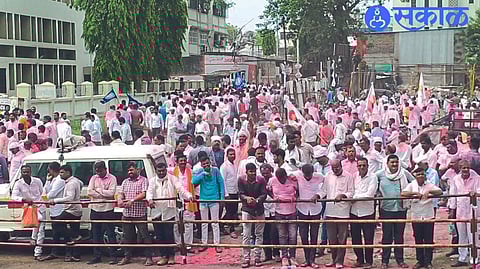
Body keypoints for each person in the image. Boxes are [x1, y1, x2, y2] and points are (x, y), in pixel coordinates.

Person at [147, 163, 193, 266]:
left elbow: (181, 189)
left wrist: (189, 196)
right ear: (156, 171)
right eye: (159, 171)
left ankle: (171, 256)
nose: (162, 173)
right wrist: (149, 200)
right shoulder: (152, 181)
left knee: (169, 235)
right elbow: (149, 192)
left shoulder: (172, 179)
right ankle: (163, 256)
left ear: (166, 170)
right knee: (159, 236)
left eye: (163, 171)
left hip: (169, 211)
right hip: (156, 212)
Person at [377, 155, 414, 269]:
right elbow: (374, 186)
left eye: (396, 163)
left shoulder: (404, 173)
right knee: (387, 236)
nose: (394, 165)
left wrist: (410, 194)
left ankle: (400, 260)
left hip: (400, 208)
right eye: (392, 162)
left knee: (399, 236)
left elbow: (414, 182)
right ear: (387, 163)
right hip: (386, 209)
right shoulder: (380, 174)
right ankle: (385, 261)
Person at [401, 167, 442, 269]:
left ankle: (428, 261)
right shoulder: (412, 185)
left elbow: (440, 191)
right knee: (418, 239)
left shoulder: (429, 184)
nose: (420, 176)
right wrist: (414, 194)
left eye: (422, 174)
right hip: (416, 215)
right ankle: (420, 261)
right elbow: (403, 193)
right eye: (418, 174)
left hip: (428, 215)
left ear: (425, 175)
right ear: (415, 175)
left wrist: (430, 192)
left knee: (428, 239)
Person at [318, 159, 353, 269]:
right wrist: (317, 196)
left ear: (341, 165)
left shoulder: (348, 176)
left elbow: (351, 192)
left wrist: (343, 195)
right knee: (332, 239)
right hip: (330, 211)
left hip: (343, 212)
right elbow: (323, 191)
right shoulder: (328, 176)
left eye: (337, 167)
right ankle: (333, 260)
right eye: (333, 168)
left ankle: (340, 261)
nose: (335, 170)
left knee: (342, 239)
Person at [117, 161, 153, 266]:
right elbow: (120, 193)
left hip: (139, 214)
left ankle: (149, 257)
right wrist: (119, 200)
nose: (130, 172)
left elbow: (144, 193)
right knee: (127, 237)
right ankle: (127, 257)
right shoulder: (125, 182)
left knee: (145, 236)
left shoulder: (143, 180)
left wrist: (132, 201)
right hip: (127, 214)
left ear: (137, 170)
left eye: (132, 169)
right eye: (128, 170)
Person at [449, 160, 480, 267]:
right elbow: (452, 194)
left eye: (467, 167)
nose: (465, 170)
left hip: (473, 211)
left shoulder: (477, 178)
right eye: (463, 168)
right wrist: (452, 210)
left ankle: (474, 259)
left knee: (473, 236)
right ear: (460, 169)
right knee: (462, 236)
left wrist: (475, 193)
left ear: (470, 167)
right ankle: (462, 258)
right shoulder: (456, 179)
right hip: (460, 211)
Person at [49, 165, 83, 262]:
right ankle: (75, 255)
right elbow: (81, 184)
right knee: (73, 233)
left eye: (62, 172)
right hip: (74, 209)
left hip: (72, 210)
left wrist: (56, 200)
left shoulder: (71, 183)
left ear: (68, 172)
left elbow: (70, 198)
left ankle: (75, 236)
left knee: (56, 223)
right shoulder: (75, 181)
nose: (60, 175)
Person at [86, 161, 118, 265]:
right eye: (97, 171)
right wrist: (103, 192)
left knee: (110, 233)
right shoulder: (93, 178)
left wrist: (99, 191)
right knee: (95, 234)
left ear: (105, 169)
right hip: (95, 209)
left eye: (100, 171)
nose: (98, 173)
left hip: (107, 209)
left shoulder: (112, 178)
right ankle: (97, 256)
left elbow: (112, 193)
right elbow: (89, 191)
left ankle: (113, 256)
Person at [192, 156, 225, 253]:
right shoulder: (200, 172)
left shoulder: (215, 170)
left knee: (215, 223)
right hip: (203, 200)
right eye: (204, 164)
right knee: (204, 223)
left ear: (210, 162)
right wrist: (202, 174)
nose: (206, 165)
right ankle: (204, 243)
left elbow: (221, 183)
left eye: (207, 163)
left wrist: (222, 197)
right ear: (201, 165)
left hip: (214, 200)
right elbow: (193, 182)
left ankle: (217, 244)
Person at [11, 165, 44, 259]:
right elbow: (14, 196)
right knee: (36, 225)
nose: (25, 174)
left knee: (41, 229)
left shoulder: (37, 181)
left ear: (31, 172)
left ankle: (37, 252)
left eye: (27, 172)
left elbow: (42, 192)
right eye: (24, 172)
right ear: (21, 173)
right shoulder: (18, 183)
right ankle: (33, 238)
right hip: (29, 208)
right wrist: (23, 199)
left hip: (40, 206)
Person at [238, 163, 267, 268]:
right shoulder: (241, 179)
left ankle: (257, 257)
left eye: (254, 171)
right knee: (246, 234)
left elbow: (264, 194)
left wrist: (257, 200)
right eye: (251, 171)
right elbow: (240, 194)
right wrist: (247, 198)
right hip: (246, 209)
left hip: (259, 209)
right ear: (246, 172)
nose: (253, 173)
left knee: (259, 234)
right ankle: (246, 259)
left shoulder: (261, 180)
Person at [350, 158, 378, 268]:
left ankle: (369, 261)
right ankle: (359, 259)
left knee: (368, 238)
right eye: (360, 165)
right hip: (354, 211)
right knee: (355, 238)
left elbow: (370, 194)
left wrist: (355, 197)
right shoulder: (354, 176)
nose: (362, 167)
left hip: (367, 212)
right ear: (357, 166)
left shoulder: (373, 177)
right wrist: (352, 197)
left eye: (364, 165)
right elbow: (351, 191)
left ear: (367, 166)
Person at [267, 168, 298, 267]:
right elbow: (267, 190)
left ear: (286, 176)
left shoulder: (292, 180)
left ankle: (292, 256)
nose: (281, 180)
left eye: (283, 178)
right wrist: (273, 197)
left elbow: (299, 191)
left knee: (293, 235)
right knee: (282, 235)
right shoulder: (272, 180)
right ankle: (284, 256)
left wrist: (294, 198)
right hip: (279, 212)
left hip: (292, 211)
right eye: (279, 178)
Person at [295, 164, 323, 268]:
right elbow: (288, 177)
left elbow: (324, 188)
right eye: (305, 175)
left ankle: (312, 259)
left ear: (313, 172)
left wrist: (318, 195)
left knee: (314, 235)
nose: (307, 177)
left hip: (315, 209)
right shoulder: (297, 175)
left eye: (309, 174)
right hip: (302, 209)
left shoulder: (319, 176)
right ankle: (307, 259)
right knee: (303, 235)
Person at [259, 163, 280, 263]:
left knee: (274, 233)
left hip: (274, 210)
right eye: (263, 173)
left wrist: (268, 191)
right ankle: (267, 255)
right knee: (264, 233)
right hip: (263, 211)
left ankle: (276, 253)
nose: (265, 175)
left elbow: (277, 196)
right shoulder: (258, 181)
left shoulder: (275, 181)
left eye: (267, 173)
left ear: (271, 171)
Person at [220, 147, 239, 238]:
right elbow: (222, 181)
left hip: (235, 191)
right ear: (227, 155)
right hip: (229, 192)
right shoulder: (224, 166)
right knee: (229, 212)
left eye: (233, 154)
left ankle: (221, 224)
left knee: (233, 211)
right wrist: (226, 194)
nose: (232, 156)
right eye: (230, 154)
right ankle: (232, 230)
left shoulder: (234, 165)